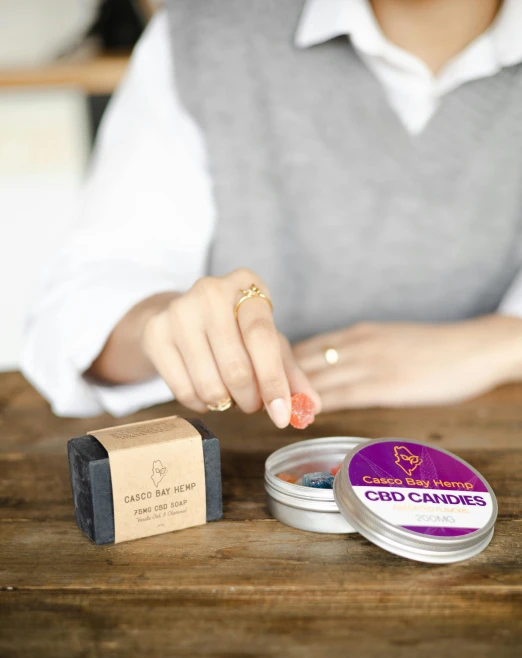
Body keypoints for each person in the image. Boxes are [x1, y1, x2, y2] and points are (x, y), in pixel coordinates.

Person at [21, 0, 522, 428]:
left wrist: (499, 344)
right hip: (249, 462)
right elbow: (74, 310)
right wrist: (161, 324)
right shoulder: (208, 33)